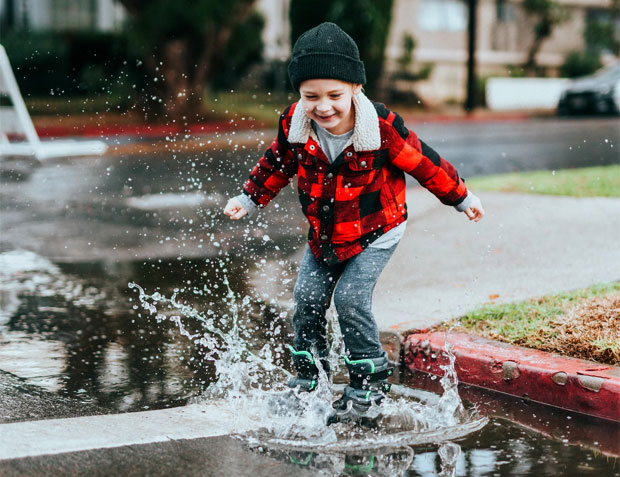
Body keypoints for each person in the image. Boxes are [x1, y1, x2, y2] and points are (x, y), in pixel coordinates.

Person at [224, 22, 484, 420]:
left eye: (335, 95)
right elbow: (277, 163)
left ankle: (368, 383)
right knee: (307, 299)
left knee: (349, 299)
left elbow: (424, 163)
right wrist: (250, 197)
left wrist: (461, 197)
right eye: (311, 96)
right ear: (299, 93)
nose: (323, 106)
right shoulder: (295, 123)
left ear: (356, 90)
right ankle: (310, 379)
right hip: (325, 237)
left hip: (377, 231)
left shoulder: (380, 127)